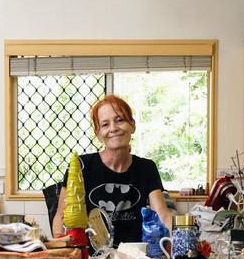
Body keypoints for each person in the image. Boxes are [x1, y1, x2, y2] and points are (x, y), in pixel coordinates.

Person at [52, 94, 173, 244]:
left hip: (134, 257)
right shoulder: (82, 165)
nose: (113, 128)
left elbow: (162, 214)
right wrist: (65, 252)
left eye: (120, 120)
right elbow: (61, 216)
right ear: (98, 134)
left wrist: (175, 244)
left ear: (132, 125)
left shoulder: (146, 168)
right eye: (105, 124)